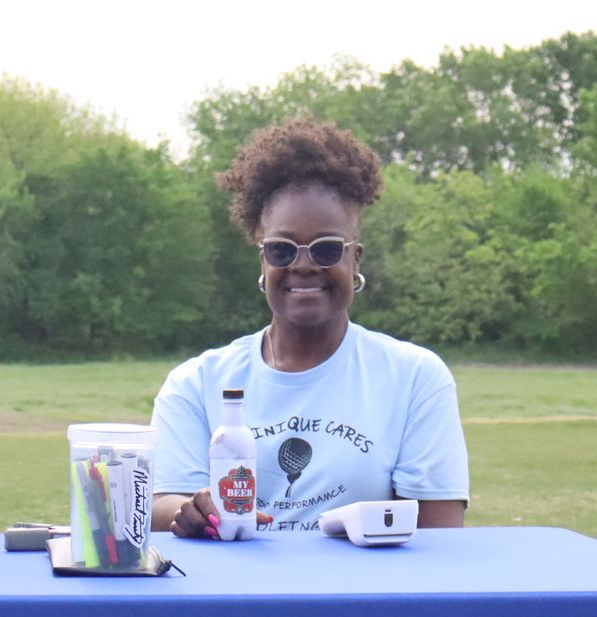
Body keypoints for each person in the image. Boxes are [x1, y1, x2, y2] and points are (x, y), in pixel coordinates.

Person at [152, 118, 469, 539]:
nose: (303, 264)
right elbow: (162, 504)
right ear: (262, 262)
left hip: (361, 602)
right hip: (235, 600)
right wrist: (193, 511)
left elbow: (440, 535)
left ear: (355, 259)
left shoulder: (414, 377)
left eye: (326, 249)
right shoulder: (195, 383)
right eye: (281, 250)